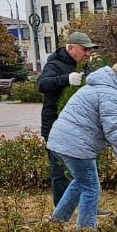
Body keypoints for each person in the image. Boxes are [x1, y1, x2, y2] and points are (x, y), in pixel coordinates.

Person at [47, 61, 117, 229]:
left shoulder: (99, 86)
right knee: (90, 188)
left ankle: (56, 222)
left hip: (60, 140)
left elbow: (109, 130)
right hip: (76, 145)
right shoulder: (110, 94)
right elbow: (113, 132)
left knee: (80, 182)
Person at [38, 30, 96, 206]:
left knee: (82, 169)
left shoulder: (80, 66)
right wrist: (65, 79)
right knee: (60, 170)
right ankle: (60, 210)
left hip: (76, 125)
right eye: (84, 49)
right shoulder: (55, 64)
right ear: (71, 48)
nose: (87, 53)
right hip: (54, 123)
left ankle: (85, 203)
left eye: (89, 50)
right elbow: (41, 84)